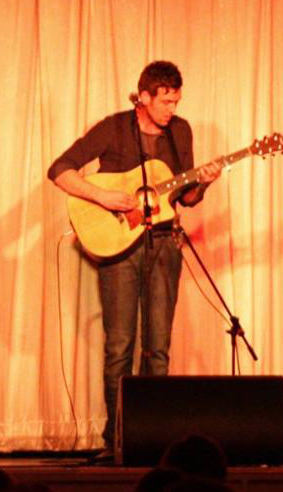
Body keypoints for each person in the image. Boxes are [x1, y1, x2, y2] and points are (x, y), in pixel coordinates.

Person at [46, 60, 222, 457]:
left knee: (157, 347)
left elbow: (184, 198)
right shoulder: (113, 127)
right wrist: (103, 196)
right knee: (120, 346)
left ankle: (153, 439)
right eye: (165, 101)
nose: (172, 109)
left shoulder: (180, 132)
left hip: (163, 244)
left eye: (177, 101)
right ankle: (117, 441)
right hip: (118, 248)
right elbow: (59, 170)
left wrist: (205, 184)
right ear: (143, 97)